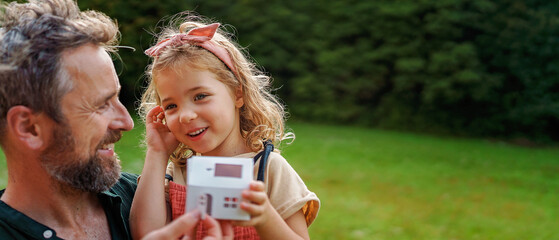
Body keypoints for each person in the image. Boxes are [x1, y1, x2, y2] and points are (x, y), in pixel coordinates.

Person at [0, 1, 231, 239]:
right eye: (101, 105)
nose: (127, 123)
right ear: (29, 128)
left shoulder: (144, 199)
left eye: (118, 98)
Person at [130, 15, 321, 240]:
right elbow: (145, 234)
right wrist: (157, 152)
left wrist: (265, 219)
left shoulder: (268, 169)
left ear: (237, 94)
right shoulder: (177, 173)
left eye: (200, 96)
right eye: (171, 105)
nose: (186, 116)